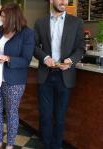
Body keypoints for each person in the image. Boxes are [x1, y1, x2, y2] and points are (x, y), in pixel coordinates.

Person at [0, 3, 35, 149]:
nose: (2, 19)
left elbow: (26, 59)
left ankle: (10, 144)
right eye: (1, 16)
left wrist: (8, 58)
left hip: (14, 82)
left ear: (13, 16)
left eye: (4, 16)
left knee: (11, 112)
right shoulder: (0, 30)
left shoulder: (27, 33)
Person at [34, 0, 84, 148]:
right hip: (46, 75)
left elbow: (81, 48)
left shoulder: (76, 22)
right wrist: (45, 58)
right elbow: (34, 46)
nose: (64, 1)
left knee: (60, 117)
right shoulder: (40, 22)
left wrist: (70, 60)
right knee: (45, 116)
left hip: (65, 76)